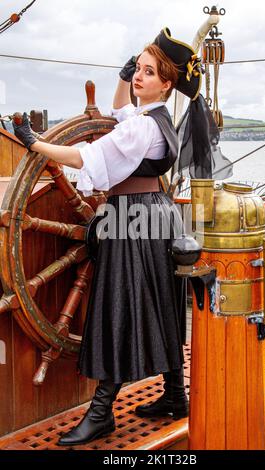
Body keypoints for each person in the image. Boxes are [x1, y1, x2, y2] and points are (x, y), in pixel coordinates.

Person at [13, 28, 209, 447]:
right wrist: (124, 75)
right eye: (137, 69)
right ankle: (175, 394)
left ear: (167, 83)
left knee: (120, 305)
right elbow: (121, 110)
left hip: (132, 219)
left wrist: (35, 144)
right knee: (159, 300)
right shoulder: (153, 119)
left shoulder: (143, 129)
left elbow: (86, 156)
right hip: (155, 216)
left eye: (148, 72)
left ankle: (101, 413)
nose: (139, 77)